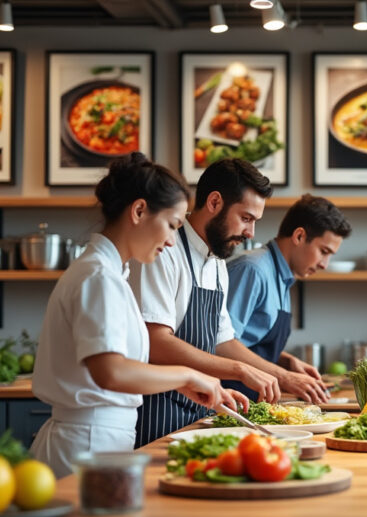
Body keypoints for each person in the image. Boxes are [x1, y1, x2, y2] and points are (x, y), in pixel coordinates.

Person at [30, 153, 234, 478]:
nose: (170, 241)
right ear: (139, 211)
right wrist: (187, 375)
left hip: (99, 442)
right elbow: (110, 372)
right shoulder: (98, 277)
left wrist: (187, 386)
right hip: (85, 445)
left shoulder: (112, 275)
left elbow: (122, 369)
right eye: (171, 225)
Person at [128, 158, 292, 447]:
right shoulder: (164, 249)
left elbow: (222, 340)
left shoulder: (216, 262)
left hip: (197, 412)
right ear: (215, 202)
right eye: (246, 218)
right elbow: (155, 341)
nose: (251, 233)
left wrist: (271, 373)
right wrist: (239, 371)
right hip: (156, 414)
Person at [226, 194, 351, 400]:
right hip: (228, 401)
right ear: (299, 236)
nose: (324, 264)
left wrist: (285, 361)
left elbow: (249, 342)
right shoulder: (253, 270)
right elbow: (221, 344)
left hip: (252, 401)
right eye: (323, 251)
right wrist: (284, 377)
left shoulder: (282, 275)